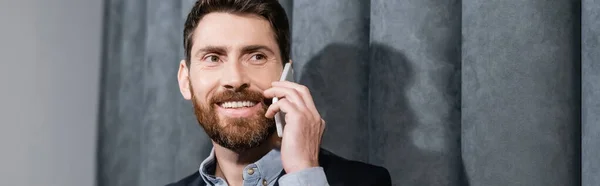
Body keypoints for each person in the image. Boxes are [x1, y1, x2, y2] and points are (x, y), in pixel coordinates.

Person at [168, 0, 391, 185]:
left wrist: (303, 176)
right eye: (213, 58)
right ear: (185, 80)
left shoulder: (367, 181)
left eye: (257, 57)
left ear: (287, 75)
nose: (235, 80)